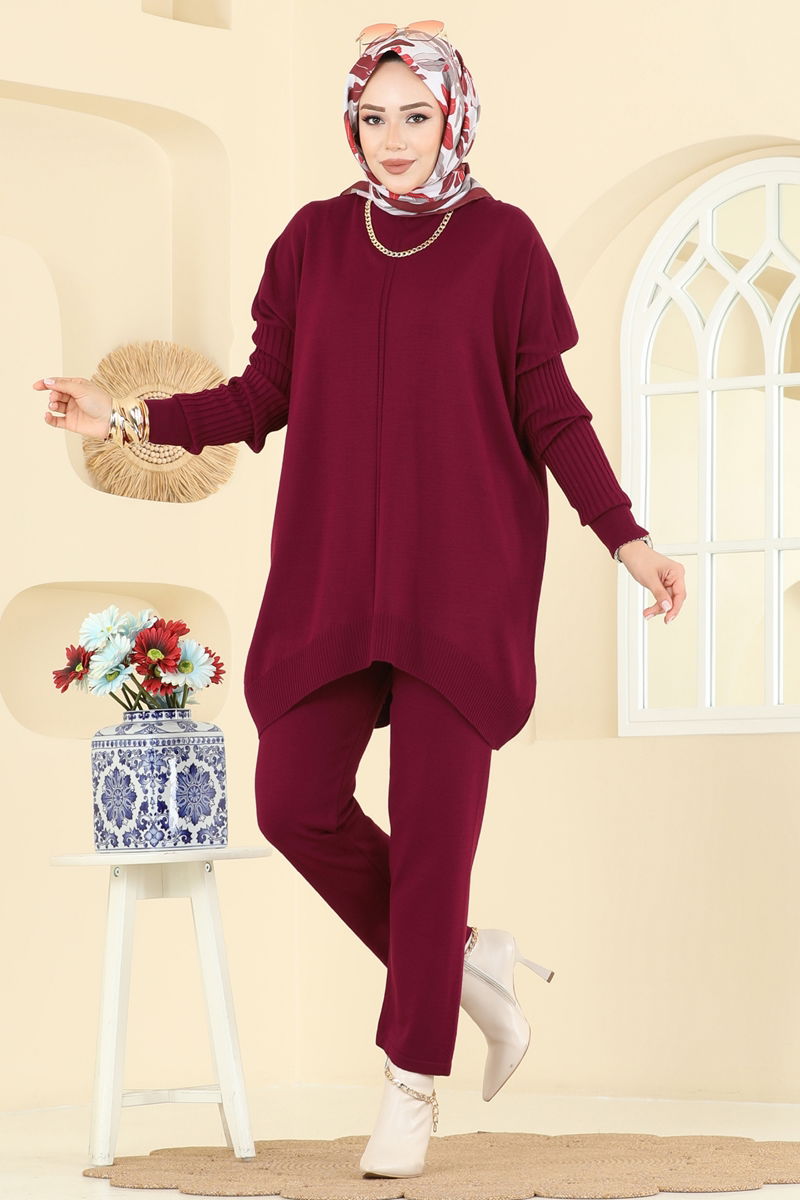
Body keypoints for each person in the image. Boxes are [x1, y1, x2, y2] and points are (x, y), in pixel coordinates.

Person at [33, 25, 686, 1181]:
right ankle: (468, 963)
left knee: (432, 839)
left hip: (461, 584)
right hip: (334, 577)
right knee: (292, 798)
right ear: (353, 123)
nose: (392, 139)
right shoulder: (312, 244)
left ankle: (409, 1081)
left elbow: (551, 412)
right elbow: (257, 397)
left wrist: (624, 538)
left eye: (414, 116)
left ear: (452, 118)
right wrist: (122, 417)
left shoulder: (502, 246)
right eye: (373, 117)